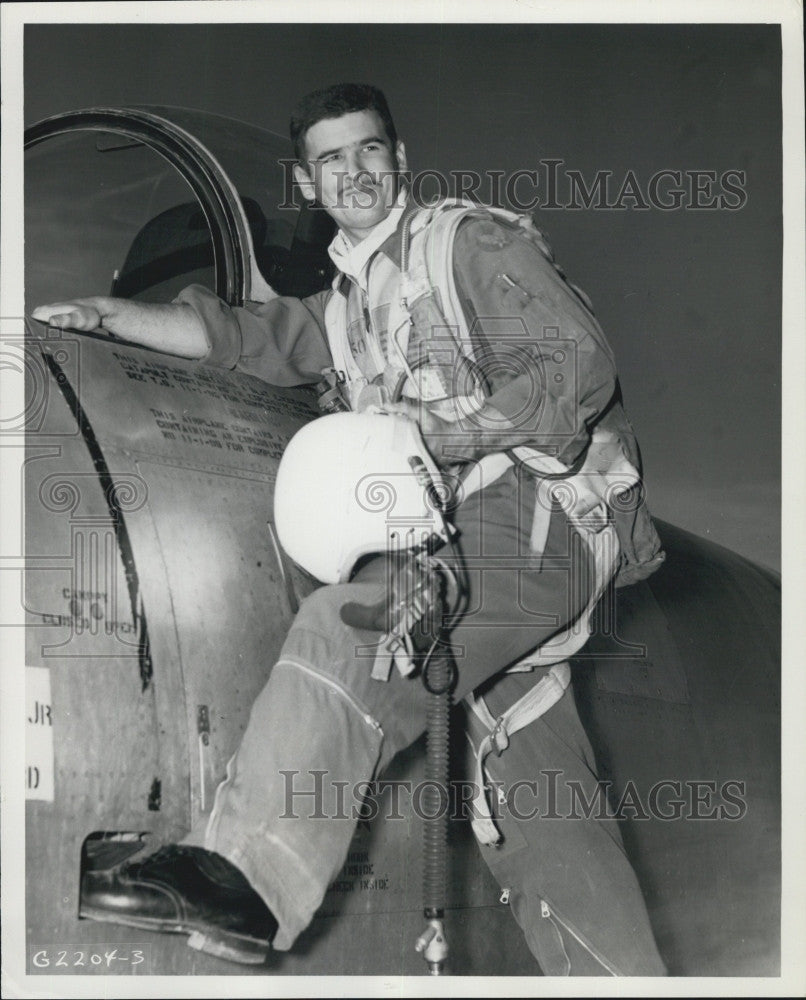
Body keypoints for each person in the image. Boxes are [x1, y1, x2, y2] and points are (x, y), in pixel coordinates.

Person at [33, 83, 667, 976]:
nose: (354, 172)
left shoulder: (463, 243)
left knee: (356, 626)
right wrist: (109, 318)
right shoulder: (350, 306)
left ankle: (248, 878)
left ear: (398, 160)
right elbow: (243, 338)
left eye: (369, 151)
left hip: (534, 514)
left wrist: (435, 434)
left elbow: (576, 366)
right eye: (332, 159)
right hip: (478, 537)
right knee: (544, 814)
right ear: (309, 180)